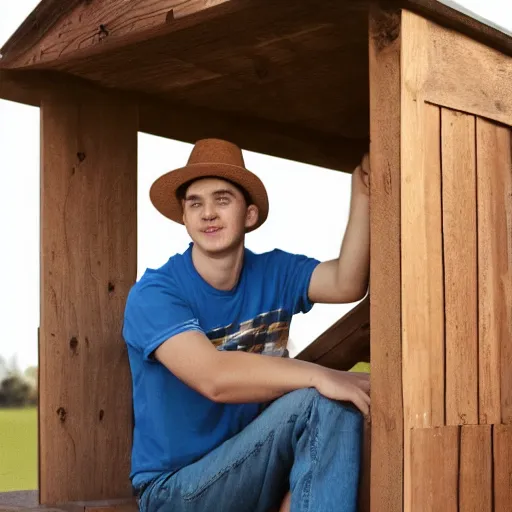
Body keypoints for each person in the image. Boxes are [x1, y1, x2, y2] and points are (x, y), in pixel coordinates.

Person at [123, 138, 371, 512]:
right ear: (185, 218)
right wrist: (319, 375)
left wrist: (365, 194)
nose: (208, 213)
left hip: (254, 470)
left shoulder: (274, 272)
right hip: (175, 491)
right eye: (195, 204)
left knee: (333, 407)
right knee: (318, 401)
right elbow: (214, 378)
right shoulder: (155, 293)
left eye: (222, 200)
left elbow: (346, 283)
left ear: (249, 215)